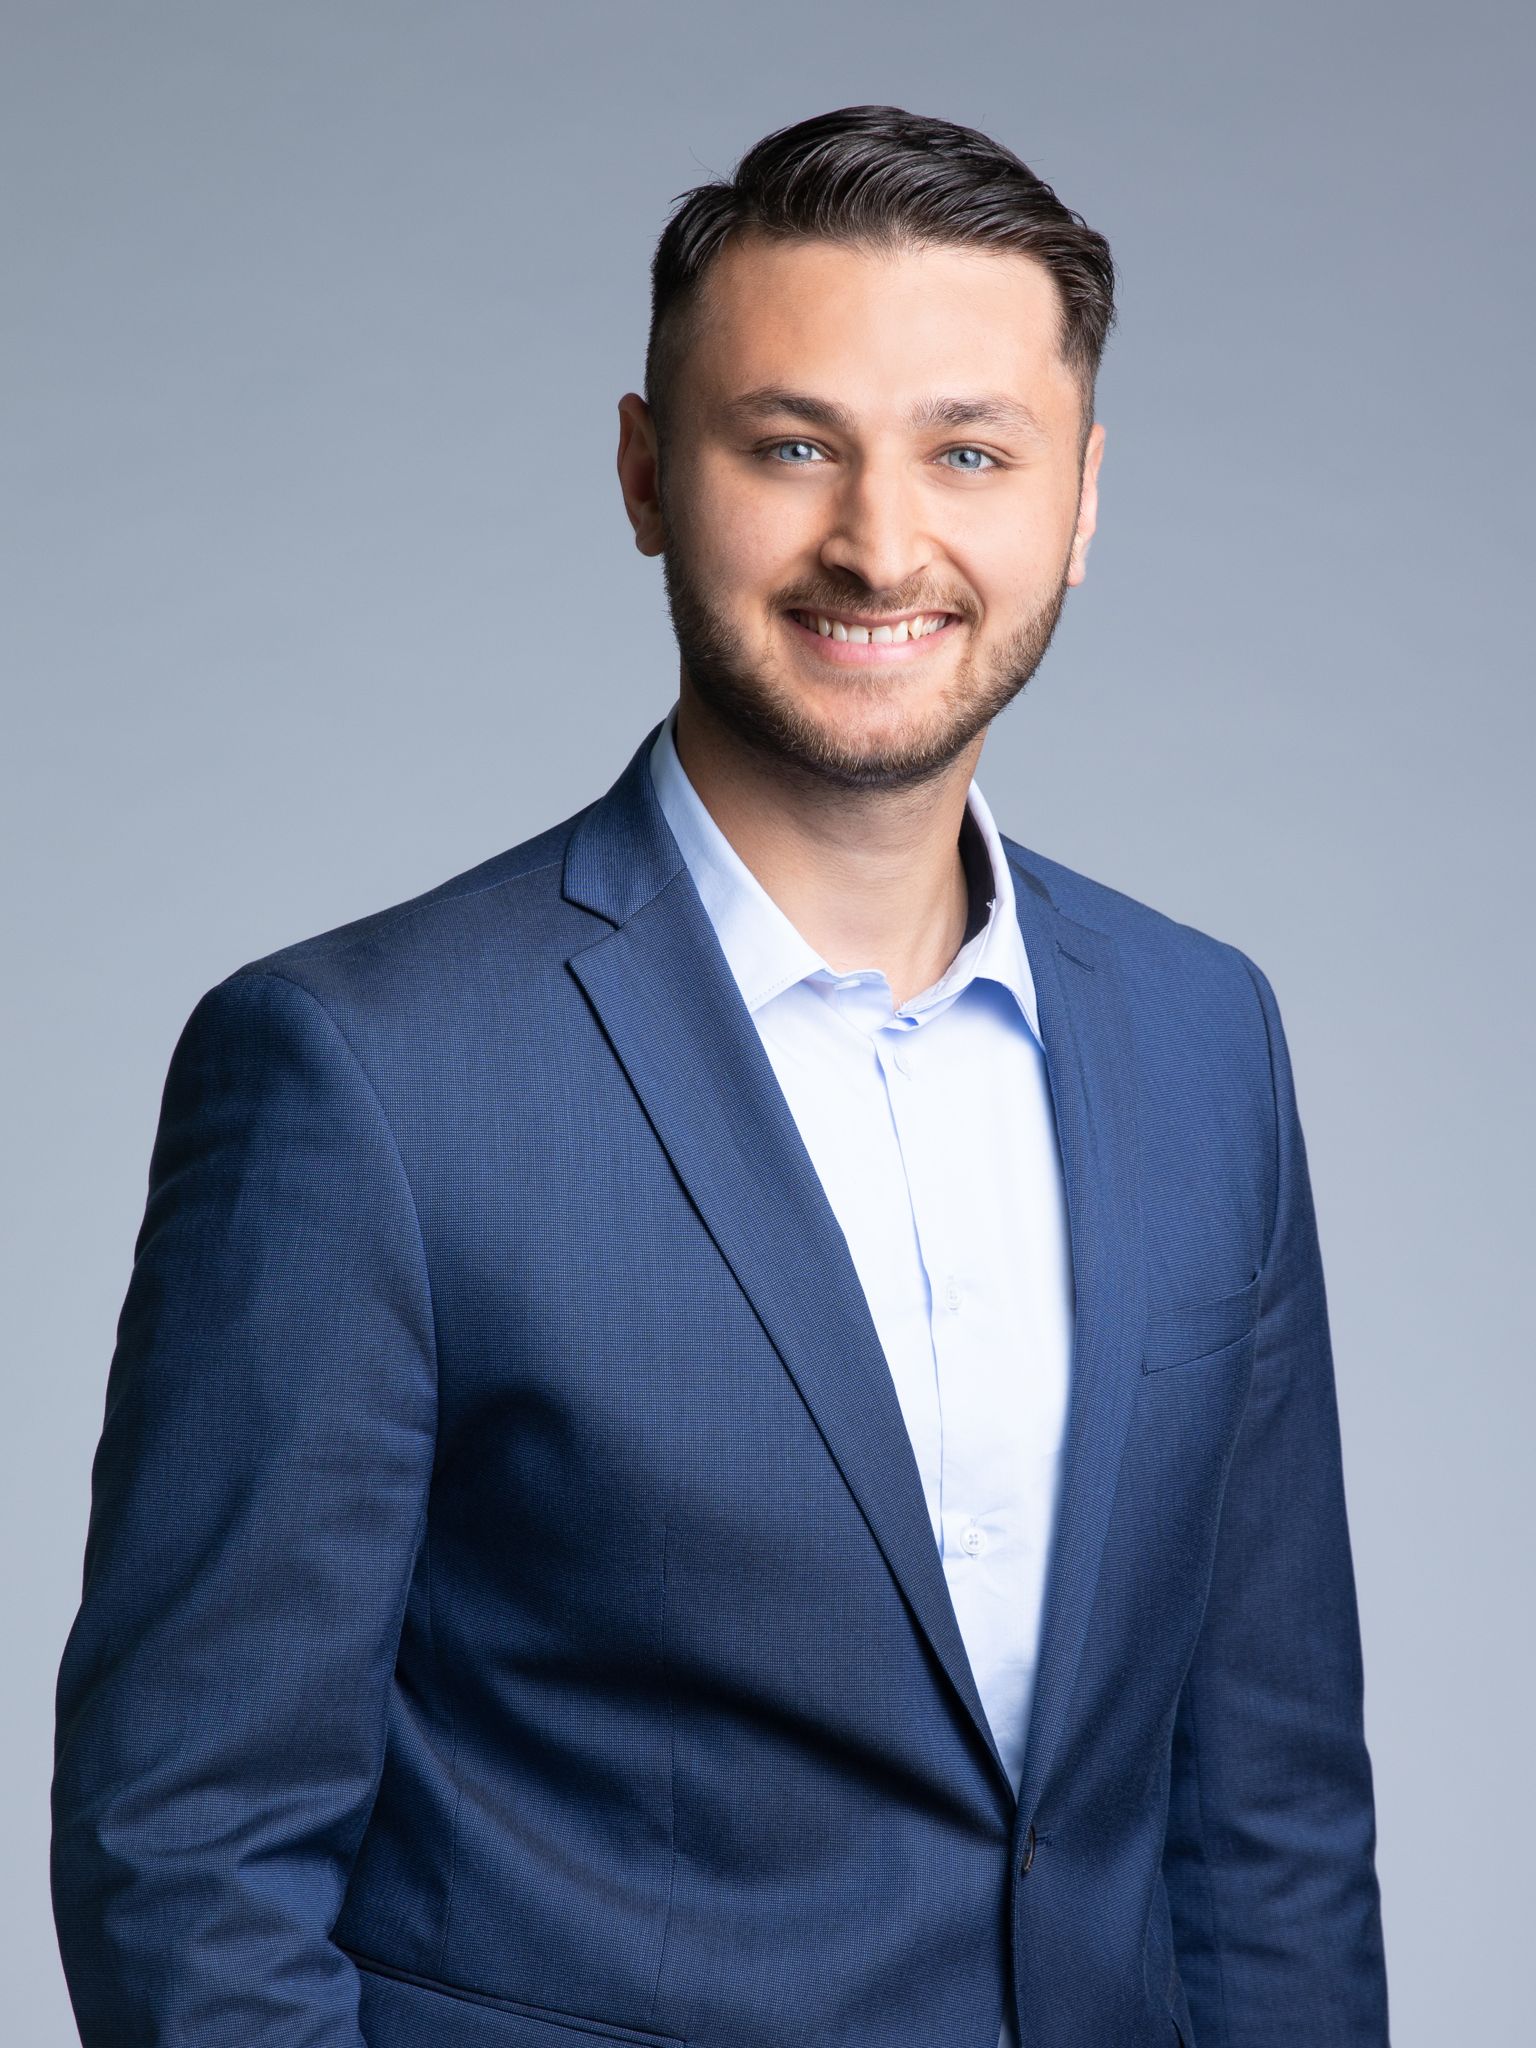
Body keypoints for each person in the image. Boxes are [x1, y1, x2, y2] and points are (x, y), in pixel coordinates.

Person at [50, 104, 1390, 2048]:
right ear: (644, 472)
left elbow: (1269, 1819)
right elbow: (187, 1855)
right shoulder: (364, 1075)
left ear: (1082, 499)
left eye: (970, 453)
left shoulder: (1205, 1037)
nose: (881, 542)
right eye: (791, 445)